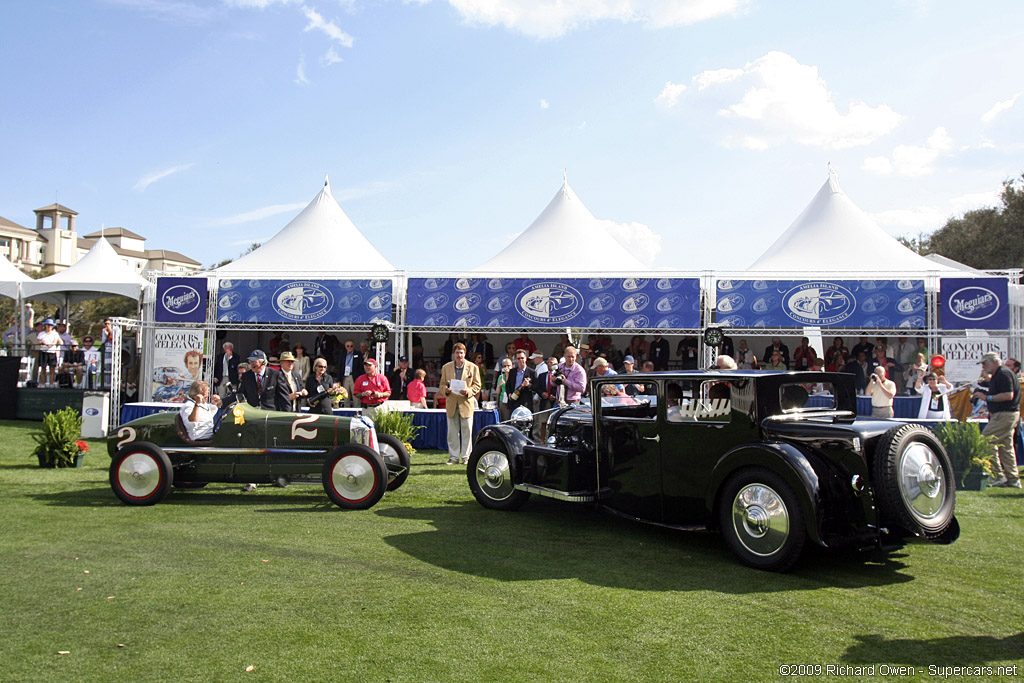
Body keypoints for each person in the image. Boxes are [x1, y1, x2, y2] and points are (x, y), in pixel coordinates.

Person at [973, 352, 1021, 488]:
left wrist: (987, 398)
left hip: (1004, 414)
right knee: (1006, 447)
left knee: (985, 441)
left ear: (993, 362)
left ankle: (997, 476)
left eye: (984, 363)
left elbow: (1008, 395)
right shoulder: (1000, 374)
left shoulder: (1003, 373)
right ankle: (1013, 479)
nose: (983, 366)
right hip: (1007, 414)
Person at [440, 342, 482, 465]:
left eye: (462, 352)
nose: (459, 355)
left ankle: (466, 457)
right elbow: (442, 384)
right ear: (454, 354)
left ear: (465, 354)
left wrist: (469, 391)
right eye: (457, 352)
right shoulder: (446, 367)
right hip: (452, 403)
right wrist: (445, 390)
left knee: (467, 431)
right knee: (452, 432)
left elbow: (477, 385)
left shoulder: (473, 367)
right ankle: (453, 457)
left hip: (466, 403)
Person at [505, 349, 536, 414]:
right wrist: (509, 393)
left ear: (526, 358)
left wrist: (528, 385)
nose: (521, 360)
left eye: (522, 358)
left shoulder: (532, 372)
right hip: (513, 401)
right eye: (518, 358)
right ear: (516, 360)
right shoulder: (512, 371)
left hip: (525, 403)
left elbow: (536, 388)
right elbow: (508, 385)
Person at [336, 340, 363, 408]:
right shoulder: (342, 354)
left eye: (351, 346)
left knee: (356, 396)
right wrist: (338, 379)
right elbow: (339, 367)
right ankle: (346, 411)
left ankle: (357, 411)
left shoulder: (358, 354)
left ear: (354, 346)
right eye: (348, 346)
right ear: (345, 347)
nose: (349, 347)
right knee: (345, 395)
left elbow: (361, 367)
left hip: (354, 377)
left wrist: (360, 379)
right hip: (345, 377)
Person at [36, 318, 60, 387]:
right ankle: (43, 383)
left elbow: (55, 341)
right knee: (43, 369)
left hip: (52, 352)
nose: (49, 326)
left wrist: (51, 344)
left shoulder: (55, 334)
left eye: (50, 325)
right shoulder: (41, 333)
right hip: (43, 352)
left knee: (52, 369)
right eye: (48, 325)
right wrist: (44, 343)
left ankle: (51, 383)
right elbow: (39, 341)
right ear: (45, 326)